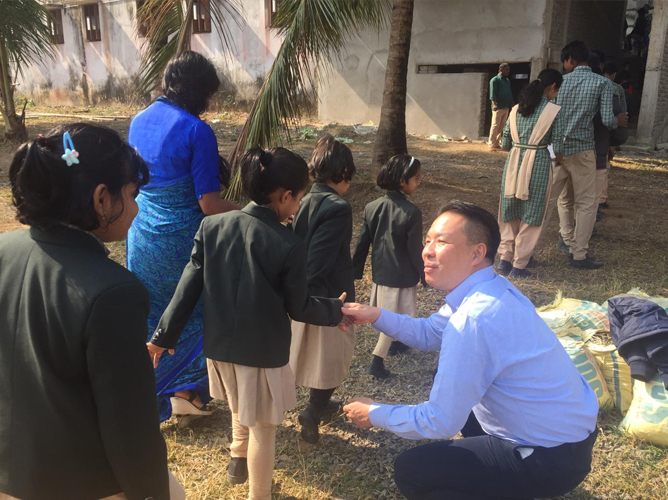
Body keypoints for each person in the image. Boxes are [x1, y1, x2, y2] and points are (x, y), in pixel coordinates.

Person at [341, 201, 599, 500]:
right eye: (427, 241)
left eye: (442, 241)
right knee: (455, 387)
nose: (427, 250)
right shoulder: (491, 287)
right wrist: (375, 315)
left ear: (477, 253)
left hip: (550, 458)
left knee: (412, 470)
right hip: (569, 438)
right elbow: (431, 332)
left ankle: (518, 483)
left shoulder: (474, 319)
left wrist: (374, 413)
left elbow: (440, 420)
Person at [147, 147, 348, 500]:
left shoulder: (212, 226)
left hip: (220, 346)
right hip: (262, 353)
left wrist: (162, 337)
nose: (299, 205)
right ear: (285, 196)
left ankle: (237, 458)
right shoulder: (287, 243)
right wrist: (337, 310)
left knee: (241, 405)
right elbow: (299, 307)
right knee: (264, 428)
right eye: (299, 198)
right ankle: (260, 494)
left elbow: (188, 287)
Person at [0, 124, 184, 500]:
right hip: (81, 482)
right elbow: (129, 426)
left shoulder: (5, 251)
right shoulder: (113, 291)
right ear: (102, 199)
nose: (135, 209)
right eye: (133, 194)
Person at [127, 51, 238, 423]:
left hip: (141, 236)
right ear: (198, 91)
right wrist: (251, 210)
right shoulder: (196, 130)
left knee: (156, 316)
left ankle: (156, 389)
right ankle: (186, 391)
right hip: (181, 244)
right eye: (208, 94)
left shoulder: (137, 121)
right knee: (197, 311)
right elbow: (208, 204)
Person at [289, 136, 357, 444]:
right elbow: (319, 259)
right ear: (343, 171)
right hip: (327, 295)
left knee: (304, 355)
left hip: (296, 288)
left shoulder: (298, 198)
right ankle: (313, 410)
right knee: (331, 358)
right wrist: (316, 305)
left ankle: (318, 405)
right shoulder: (338, 207)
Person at [545, 40, 628, 270]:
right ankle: (579, 254)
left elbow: (549, 118)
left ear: (570, 60)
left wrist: (552, 149)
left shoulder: (559, 83)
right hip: (583, 150)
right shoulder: (602, 83)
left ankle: (528, 249)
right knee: (586, 204)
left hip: (557, 150)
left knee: (557, 199)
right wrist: (617, 122)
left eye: (565, 61)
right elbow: (608, 120)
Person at [352, 154, 424, 378]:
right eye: (416, 178)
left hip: (381, 275)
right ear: (403, 181)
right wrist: (425, 274)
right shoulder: (411, 212)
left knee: (391, 314)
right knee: (393, 317)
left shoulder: (372, 207)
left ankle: (399, 343)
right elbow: (414, 250)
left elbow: (363, 242)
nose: (419, 182)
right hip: (401, 277)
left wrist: (355, 270)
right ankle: (377, 361)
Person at [496, 68, 564, 279]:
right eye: (557, 90)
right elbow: (559, 144)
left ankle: (504, 259)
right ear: (552, 87)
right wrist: (557, 157)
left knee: (509, 209)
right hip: (539, 164)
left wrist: (520, 146)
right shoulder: (554, 111)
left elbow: (505, 142)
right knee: (533, 214)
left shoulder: (516, 109)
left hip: (513, 162)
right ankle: (520, 264)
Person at [597, 63, 629, 210]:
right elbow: (622, 114)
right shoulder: (616, 89)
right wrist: (614, 142)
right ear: (614, 74)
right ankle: (601, 200)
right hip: (606, 137)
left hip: (587, 139)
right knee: (602, 169)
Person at [488, 63, 513, 151]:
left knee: (502, 126)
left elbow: (509, 93)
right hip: (498, 107)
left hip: (506, 106)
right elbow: (492, 93)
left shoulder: (507, 81)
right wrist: (494, 104)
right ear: (501, 70)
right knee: (495, 125)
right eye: (506, 69)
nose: (508, 71)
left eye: (508, 70)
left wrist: (512, 104)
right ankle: (491, 143)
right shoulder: (494, 80)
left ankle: (497, 142)